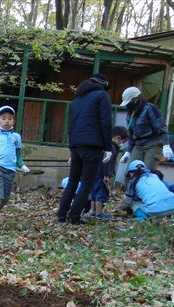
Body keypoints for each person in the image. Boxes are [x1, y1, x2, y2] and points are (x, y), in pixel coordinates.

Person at [57, 73, 113, 225]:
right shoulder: (102, 96)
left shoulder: (77, 99)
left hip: (76, 145)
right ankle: (74, 217)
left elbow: (71, 124)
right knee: (87, 183)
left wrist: (72, 147)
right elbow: (106, 122)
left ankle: (61, 215)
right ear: (104, 84)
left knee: (73, 182)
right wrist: (108, 147)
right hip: (93, 146)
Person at [0, 105, 30, 233]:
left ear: (14, 121)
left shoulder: (16, 137)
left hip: (10, 171)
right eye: (4, 118)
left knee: (4, 200)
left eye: (10, 118)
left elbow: (17, 156)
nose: (7, 121)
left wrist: (22, 166)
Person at [118, 86, 173, 171]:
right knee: (130, 172)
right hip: (138, 145)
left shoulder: (150, 108)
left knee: (146, 173)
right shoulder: (130, 113)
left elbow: (161, 127)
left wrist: (166, 145)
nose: (128, 105)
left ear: (136, 99)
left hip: (153, 145)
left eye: (129, 102)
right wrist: (128, 152)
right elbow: (132, 134)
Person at [90, 126, 129, 220]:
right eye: (122, 142)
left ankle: (93, 211)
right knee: (101, 194)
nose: (121, 144)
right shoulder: (112, 148)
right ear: (118, 138)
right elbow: (107, 162)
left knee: (94, 193)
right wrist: (107, 175)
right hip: (102, 175)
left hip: (95, 173)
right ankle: (99, 214)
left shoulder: (104, 145)